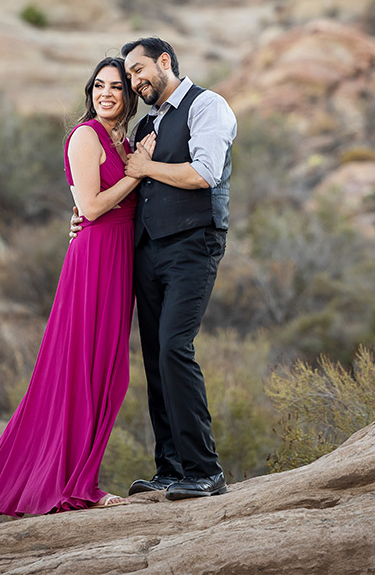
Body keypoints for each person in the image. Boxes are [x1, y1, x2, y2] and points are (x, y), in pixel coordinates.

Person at [0, 57, 155, 514]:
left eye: (116, 87)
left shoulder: (122, 140)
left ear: (128, 97)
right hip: (93, 262)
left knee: (108, 372)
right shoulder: (85, 136)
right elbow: (89, 208)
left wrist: (136, 165)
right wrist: (137, 172)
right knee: (81, 371)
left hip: (118, 261)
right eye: (100, 86)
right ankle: (75, 485)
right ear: (90, 91)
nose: (106, 93)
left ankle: (77, 475)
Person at [72, 37, 237, 501]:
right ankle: (169, 468)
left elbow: (204, 173)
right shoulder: (148, 122)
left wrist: (144, 167)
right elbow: (114, 188)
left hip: (193, 244)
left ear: (165, 62)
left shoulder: (208, 106)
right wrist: (83, 216)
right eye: (132, 76)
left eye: (140, 70)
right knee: (154, 359)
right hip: (147, 250)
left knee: (174, 348)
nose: (136, 80)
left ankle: (205, 470)